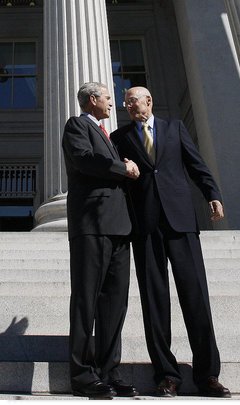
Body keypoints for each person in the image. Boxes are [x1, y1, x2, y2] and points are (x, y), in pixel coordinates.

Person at [111, 86, 231, 398]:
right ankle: (167, 375)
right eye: (125, 103)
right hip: (146, 227)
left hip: (181, 223)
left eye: (132, 100)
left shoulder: (174, 128)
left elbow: (195, 165)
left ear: (148, 101)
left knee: (196, 299)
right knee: (155, 302)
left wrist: (212, 195)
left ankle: (208, 376)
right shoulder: (119, 137)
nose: (128, 106)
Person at [62, 82, 140, 398]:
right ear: (93, 100)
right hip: (91, 224)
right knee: (86, 299)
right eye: (108, 97)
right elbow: (85, 160)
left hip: (120, 227)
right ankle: (82, 376)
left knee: (114, 304)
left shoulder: (109, 135)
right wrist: (123, 167)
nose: (112, 102)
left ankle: (110, 372)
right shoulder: (78, 125)